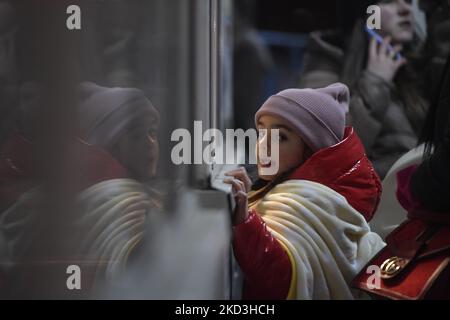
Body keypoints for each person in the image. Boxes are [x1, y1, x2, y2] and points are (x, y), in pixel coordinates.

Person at [225, 83, 385, 300]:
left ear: (311, 149)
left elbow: (281, 280)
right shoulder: (277, 192)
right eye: (261, 132)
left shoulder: (313, 204)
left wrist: (245, 221)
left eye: (281, 137)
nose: (263, 145)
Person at [352, 50, 450, 299]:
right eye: (393, 6)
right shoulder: (341, 64)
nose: (405, 10)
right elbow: (331, 149)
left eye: (411, 6)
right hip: (385, 219)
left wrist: (416, 181)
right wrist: (375, 82)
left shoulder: (422, 73)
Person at [299, 0, 428, 178]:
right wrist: (375, 82)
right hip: (373, 198)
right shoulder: (329, 61)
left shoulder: (422, 64)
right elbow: (329, 152)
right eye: (389, 1)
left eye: (407, 1)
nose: (406, 9)